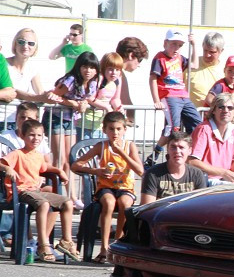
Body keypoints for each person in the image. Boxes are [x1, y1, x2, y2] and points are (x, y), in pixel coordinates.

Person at [0, 118, 80, 262]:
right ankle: (43, 244)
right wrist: (7, 168)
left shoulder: (38, 155)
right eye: (31, 135)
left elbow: (44, 168)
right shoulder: (17, 154)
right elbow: (1, 162)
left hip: (35, 190)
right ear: (22, 136)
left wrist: (58, 170)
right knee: (44, 204)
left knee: (67, 203)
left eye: (39, 135)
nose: (35, 138)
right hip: (21, 191)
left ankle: (66, 241)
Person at [71, 111, 143, 263]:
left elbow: (140, 171)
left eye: (118, 129)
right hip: (106, 187)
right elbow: (76, 165)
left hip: (125, 187)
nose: (115, 133)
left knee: (125, 204)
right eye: (111, 129)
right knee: (109, 203)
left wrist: (121, 153)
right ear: (104, 130)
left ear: (124, 130)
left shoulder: (129, 146)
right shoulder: (101, 146)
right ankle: (104, 248)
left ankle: (117, 245)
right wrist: (96, 171)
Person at [46, 50, 101, 205]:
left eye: (92, 67)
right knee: (59, 158)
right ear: (79, 67)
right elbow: (55, 96)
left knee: (70, 159)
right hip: (56, 118)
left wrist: (83, 103)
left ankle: (72, 196)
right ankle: (56, 194)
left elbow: (87, 98)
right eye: (85, 66)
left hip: (71, 120)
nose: (88, 70)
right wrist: (74, 103)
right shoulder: (70, 80)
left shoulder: (93, 83)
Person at [0, 103, 53, 248]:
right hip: (11, 184)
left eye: (29, 118)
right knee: (39, 202)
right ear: (16, 118)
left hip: (32, 181)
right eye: (22, 117)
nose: (25, 121)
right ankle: (29, 239)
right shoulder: (6, 137)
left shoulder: (37, 138)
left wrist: (57, 171)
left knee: (55, 194)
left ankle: (42, 240)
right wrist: (7, 168)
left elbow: (45, 162)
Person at [146, 30, 201, 168]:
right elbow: (153, 79)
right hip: (169, 95)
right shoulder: (159, 58)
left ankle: (188, 153)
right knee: (173, 128)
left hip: (183, 95)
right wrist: (156, 99)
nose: (176, 48)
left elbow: (195, 65)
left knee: (198, 124)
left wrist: (194, 45)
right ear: (165, 43)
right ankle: (163, 157)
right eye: (173, 44)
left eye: (179, 45)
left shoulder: (180, 58)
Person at [188, 93, 234, 184]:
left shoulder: (233, 130)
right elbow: (192, 161)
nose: (226, 110)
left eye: (230, 108)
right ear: (213, 110)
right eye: (221, 107)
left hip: (224, 179)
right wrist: (223, 172)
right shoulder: (204, 129)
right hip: (205, 180)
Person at [140, 130, 208, 204]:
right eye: (173, 147)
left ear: (190, 150)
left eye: (181, 147)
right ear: (167, 149)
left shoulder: (197, 174)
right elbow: (147, 208)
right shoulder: (153, 174)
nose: (177, 151)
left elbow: (200, 205)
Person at [7, 28, 49, 107]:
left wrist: (51, 95)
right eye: (21, 42)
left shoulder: (33, 69)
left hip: (20, 117)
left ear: (35, 47)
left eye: (31, 43)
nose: (25, 46)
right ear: (15, 44)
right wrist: (38, 98)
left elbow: (41, 92)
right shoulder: (3, 64)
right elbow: (10, 91)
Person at [189, 32, 225, 108]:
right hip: (190, 117)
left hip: (214, 117)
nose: (207, 55)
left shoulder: (226, 71)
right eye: (205, 50)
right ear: (202, 45)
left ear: (221, 51)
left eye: (212, 52)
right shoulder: (190, 65)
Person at [115, 37, 149, 114]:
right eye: (139, 60)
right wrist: (132, 119)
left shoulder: (104, 66)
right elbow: (126, 101)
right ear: (131, 55)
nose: (139, 65)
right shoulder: (118, 73)